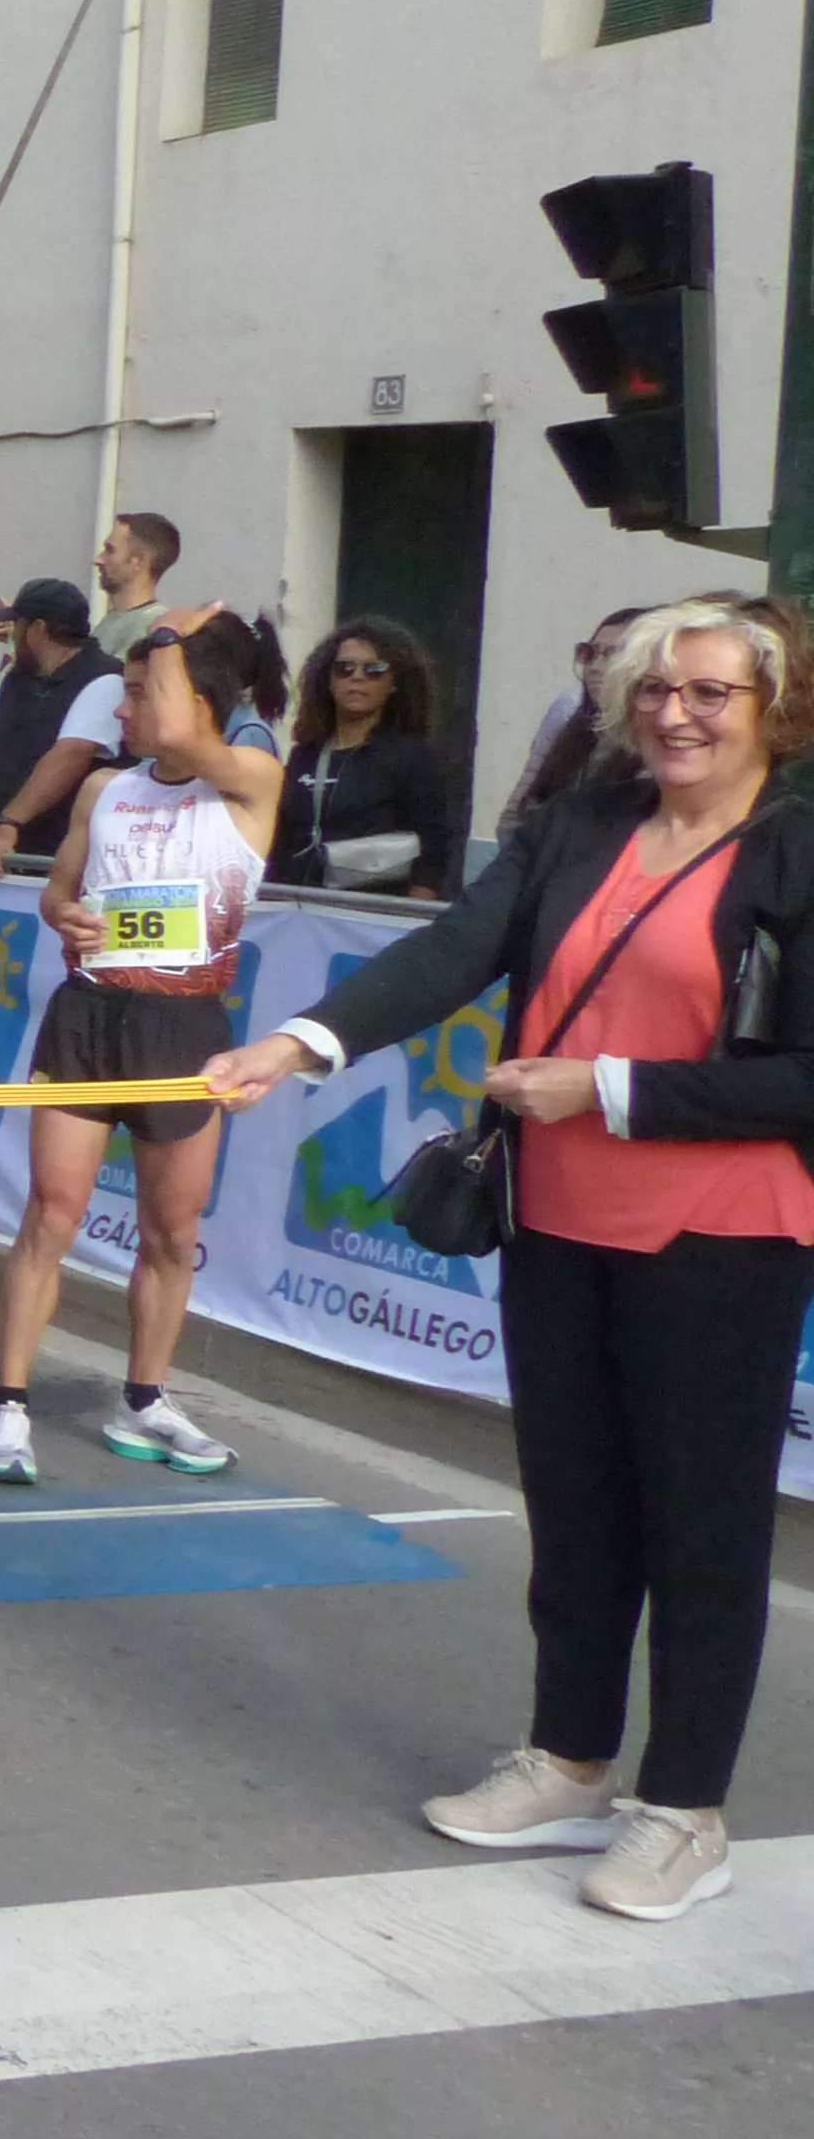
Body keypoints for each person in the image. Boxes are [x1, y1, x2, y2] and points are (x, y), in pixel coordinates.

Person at [206, 596, 814, 1924]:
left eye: (709, 691)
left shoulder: (800, 850)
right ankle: (571, 1757)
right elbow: (452, 952)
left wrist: (603, 1087)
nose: (675, 713)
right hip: (556, 1219)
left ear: (771, 703)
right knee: (579, 1511)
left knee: (701, 1531)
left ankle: (683, 1808)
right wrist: (299, 1041)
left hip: (723, 1233)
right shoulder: (584, 825)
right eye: (655, 690)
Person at [0, 614, 280, 1485]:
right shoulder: (104, 790)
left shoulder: (249, 783)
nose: (122, 711)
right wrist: (61, 914)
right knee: (52, 1213)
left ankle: (145, 1399)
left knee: (171, 1230)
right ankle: (9, 1405)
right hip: (89, 1017)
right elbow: (61, 891)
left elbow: (185, 730)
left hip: (182, 1024)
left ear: (193, 700)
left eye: (138, 695)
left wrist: (166, 635)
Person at [0, 578, 123, 881]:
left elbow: (71, 754)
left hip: (69, 866)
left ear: (37, 629)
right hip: (16, 860)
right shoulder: (15, 678)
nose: (13, 635)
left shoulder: (105, 679)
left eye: (17, 625)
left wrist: (11, 823)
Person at [273, 613, 459, 898]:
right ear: (329, 680)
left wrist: (408, 919)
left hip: (375, 913)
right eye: (344, 668)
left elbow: (433, 851)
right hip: (300, 909)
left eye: (374, 669)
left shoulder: (412, 757)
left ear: (394, 682)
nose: (357, 677)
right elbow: (281, 839)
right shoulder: (305, 755)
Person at [501, 607, 651, 849]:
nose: (595, 666)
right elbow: (513, 818)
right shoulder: (568, 712)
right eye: (590, 653)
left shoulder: (656, 743)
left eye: (612, 654)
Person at [90, 511, 179, 657]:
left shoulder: (148, 627)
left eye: (110, 550)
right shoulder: (115, 620)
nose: (98, 559)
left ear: (138, 561)